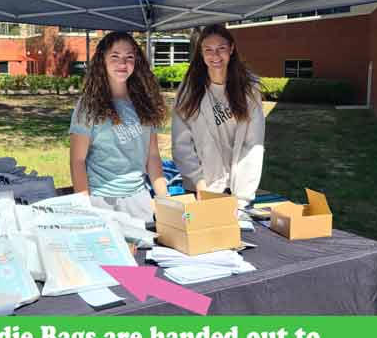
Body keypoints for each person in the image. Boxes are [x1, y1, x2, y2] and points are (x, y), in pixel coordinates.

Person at [70, 31, 168, 222]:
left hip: (139, 201)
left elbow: (153, 156)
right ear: (102, 61)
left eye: (129, 57)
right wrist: (85, 207)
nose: (122, 64)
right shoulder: (88, 106)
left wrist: (164, 199)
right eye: (115, 56)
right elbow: (77, 161)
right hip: (101, 201)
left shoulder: (147, 103)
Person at [172, 24, 265, 208]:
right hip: (200, 187)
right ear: (201, 52)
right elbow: (181, 143)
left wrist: (242, 197)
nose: (215, 56)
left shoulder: (249, 89)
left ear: (231, 49)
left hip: (237, 188)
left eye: (221, 48)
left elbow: (253, 144)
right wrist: (198, 181)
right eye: (208, 50)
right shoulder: (189, 89)